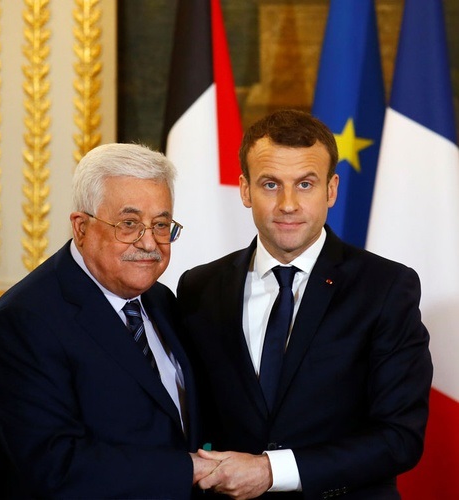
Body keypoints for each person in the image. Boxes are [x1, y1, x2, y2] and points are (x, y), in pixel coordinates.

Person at [177, 109, 433, 499]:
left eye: (305, 184)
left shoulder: (386, 288)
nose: (288, 204)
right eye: (270, 184)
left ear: (331, 190)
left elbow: (399, 437)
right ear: (244, 190)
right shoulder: (199, 287)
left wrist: (271, 471)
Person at [0, 143, 215, 499]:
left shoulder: (161, 300)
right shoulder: (24, 321)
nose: (149, 243)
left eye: (161, 225)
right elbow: (52, 469)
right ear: (81, 227)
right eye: (129, 224)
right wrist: (189, 470)